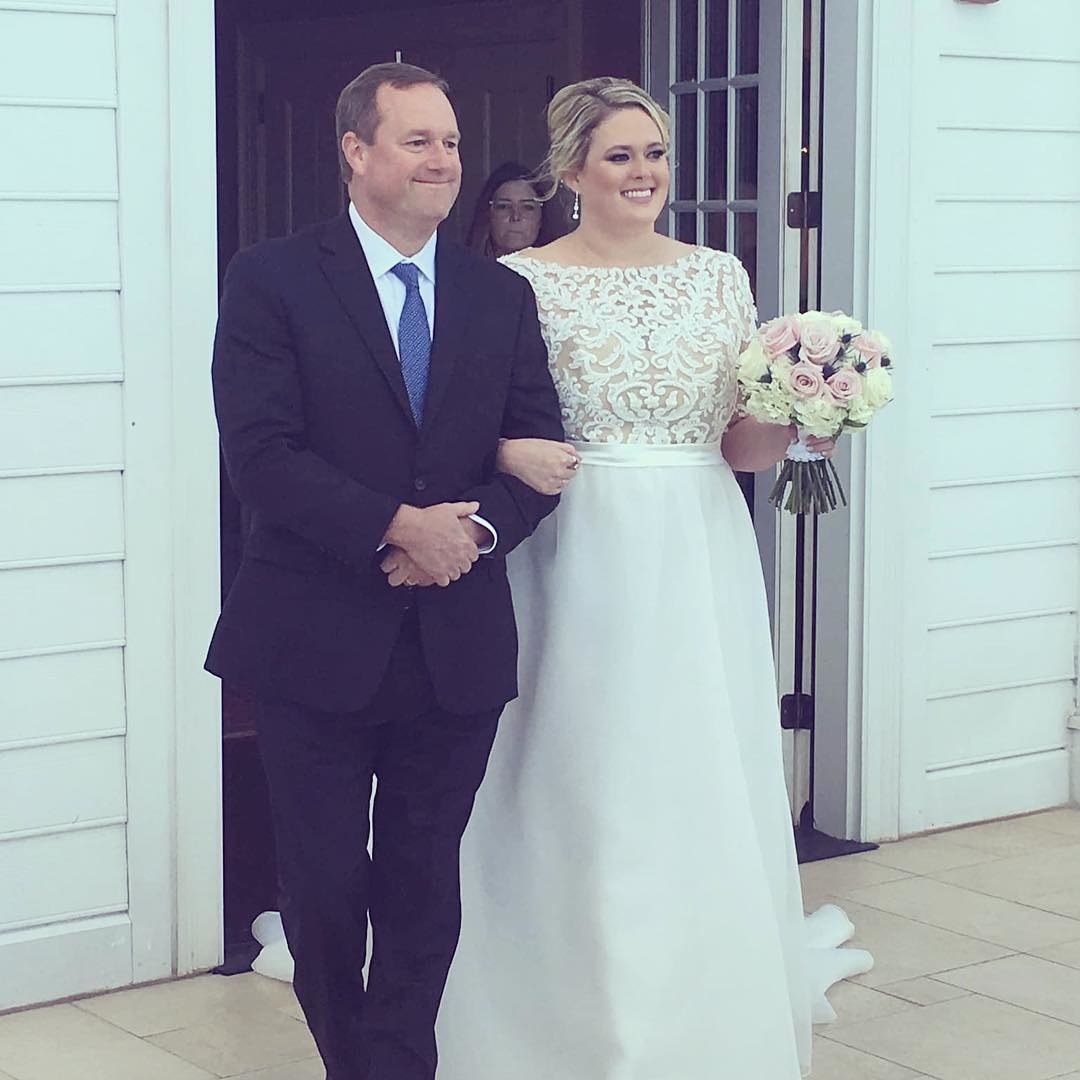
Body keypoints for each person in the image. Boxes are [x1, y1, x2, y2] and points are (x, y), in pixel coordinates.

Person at [435, 77, 872, 1079]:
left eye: (658, 153)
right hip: (571, 546)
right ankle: (560, 1003)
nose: (646, 173)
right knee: (575, 765)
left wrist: (814, 412)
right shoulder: (520, 281)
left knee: (692, 759)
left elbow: (741, 446)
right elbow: (476, 422)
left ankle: (700, 995)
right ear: (571, 170)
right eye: (622, 154)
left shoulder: (719, 275)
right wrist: (508, 458)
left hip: (696, 547)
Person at [205, 62, 564, 1080]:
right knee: (322, 885)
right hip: (311, 636)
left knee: (421, 878)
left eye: (449, 140)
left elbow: (538, 453)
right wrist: (399, 527)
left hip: (453, 641)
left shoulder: (501, 296)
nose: (442, 158)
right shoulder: (272, 278)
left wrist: (472, 536)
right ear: (355, 152)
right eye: (417, 139)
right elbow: (263, 459)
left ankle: (398, 1063)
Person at [464, 161, 545, 258]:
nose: (515, 216)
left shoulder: (558, 269)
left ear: (541, 218)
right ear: (488, 214)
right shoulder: (464, 268)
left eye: (527, 207)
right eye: (504, 206)